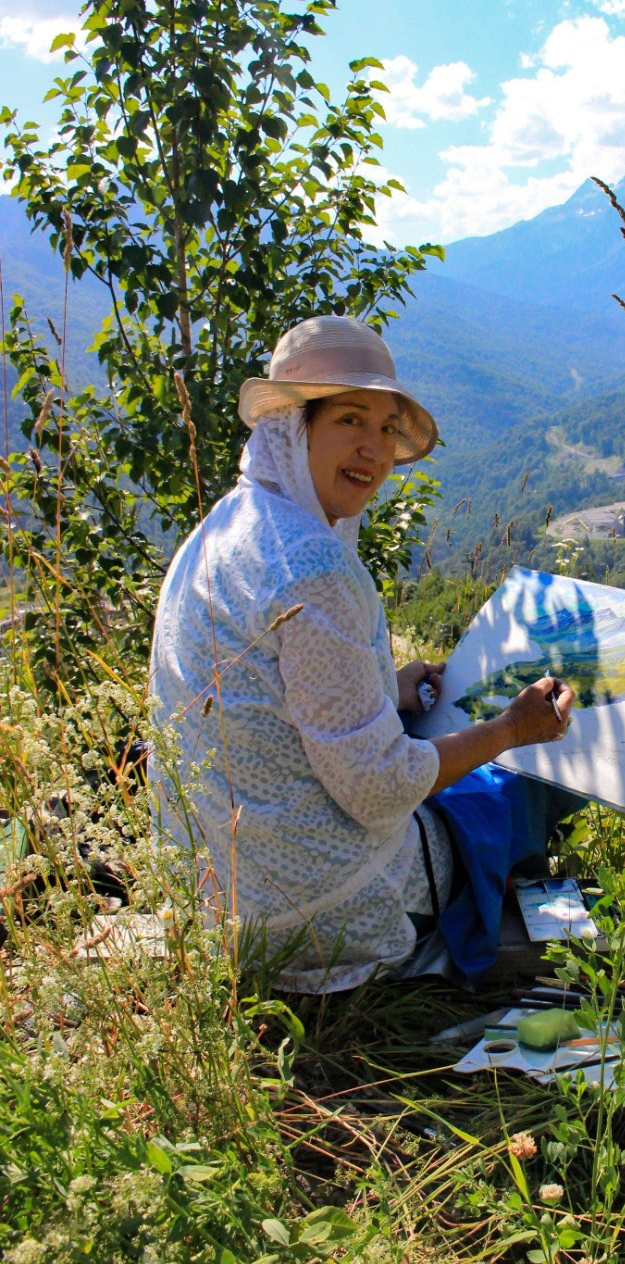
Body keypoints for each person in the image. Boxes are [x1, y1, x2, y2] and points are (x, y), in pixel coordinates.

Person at [149, 315, 574, 992]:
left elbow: (285, 689)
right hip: (313, 906)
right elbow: (380, 789)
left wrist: (390, 685)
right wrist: (508, 731)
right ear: (294, 427)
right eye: (350, 419)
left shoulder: (228, 524)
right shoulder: (312, 566)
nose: (373, 450)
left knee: (450, 752)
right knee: (513, 790)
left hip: (224, 888)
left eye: (385, 427)